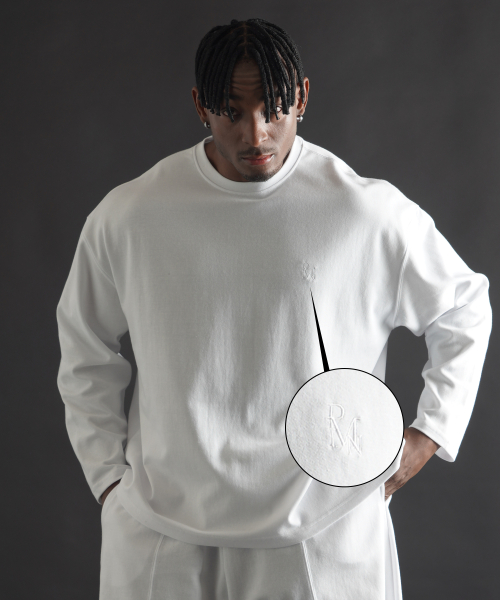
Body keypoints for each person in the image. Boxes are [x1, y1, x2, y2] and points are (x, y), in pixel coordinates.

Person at [56, 17, 492, 600]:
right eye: (231, 112)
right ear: (200, 106)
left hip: (325, 532)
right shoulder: (129, 216)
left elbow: (463, 306)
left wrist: (428, 434)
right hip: (161, 533)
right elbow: (84, 346)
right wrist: (108, 480)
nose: (255, 133)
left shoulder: (363, 212)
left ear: (302, 98)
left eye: (274, 109)